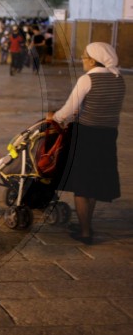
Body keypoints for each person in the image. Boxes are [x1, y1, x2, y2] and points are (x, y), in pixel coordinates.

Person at [47, 42, 126, 245]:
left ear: (93, 59)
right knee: (94, 182)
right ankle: (86, 225)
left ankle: (84, 232)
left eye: (84, 56)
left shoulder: (87, 79)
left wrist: (53, 118)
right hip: (108, 136)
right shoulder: (119, 78)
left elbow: (69, 109)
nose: (82, 59)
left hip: (87, 135)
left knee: (82, 184)